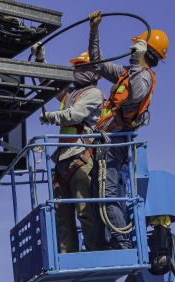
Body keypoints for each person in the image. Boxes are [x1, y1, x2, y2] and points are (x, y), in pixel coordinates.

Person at [88, 10, 169, 250]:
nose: (132, 51)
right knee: (100, 191)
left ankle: (122, 243)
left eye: (137, 49)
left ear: (145, 52)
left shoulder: (143, 77)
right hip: (105, 141)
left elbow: (136, 96)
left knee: (109, 192)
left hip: (115, 142)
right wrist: (94, 30)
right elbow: (96, 62)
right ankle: (108, 240)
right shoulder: (127, 73)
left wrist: (136, 63)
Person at [38, 51, 104, 253]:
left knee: (84, 210)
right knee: (62, 213)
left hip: (80, 157)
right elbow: (50, 85)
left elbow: (75, 115)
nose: (77, 71)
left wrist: (51, 117)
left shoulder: (93, 94)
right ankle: (67, 255)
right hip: (63, 159)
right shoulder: (72, 93)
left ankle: (93, 251)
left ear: (92, 72)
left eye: (81, 67)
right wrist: (41, 59)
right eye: (76, 67)